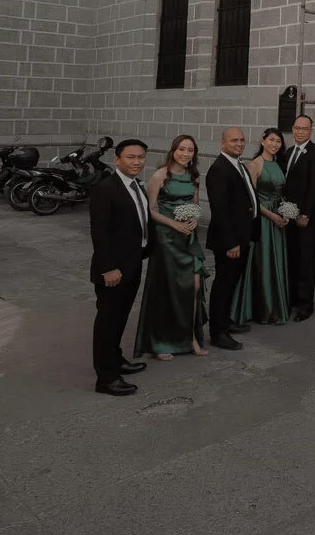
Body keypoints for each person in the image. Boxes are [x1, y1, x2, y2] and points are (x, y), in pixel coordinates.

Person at [134, 134, 209, 361]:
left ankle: (191, 337)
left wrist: (194, 219)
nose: (186, 154)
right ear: (173, 151)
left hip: (188, 238)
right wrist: (173, 223)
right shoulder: (160, 175)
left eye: (190, 150)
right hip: (166, 238)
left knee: (194, 285)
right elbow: (150, 210)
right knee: (167, 288)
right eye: (182, 149)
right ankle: (161, 341)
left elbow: (195, 206)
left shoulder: (194, 177)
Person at [88, 139, 152, 396]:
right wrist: (109, 268)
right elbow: (100, 232)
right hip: (113, 270)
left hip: (132, 264)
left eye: (141, 157)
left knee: (120, 318)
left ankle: (115, 360)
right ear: (117, 160)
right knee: (108, 322)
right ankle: (106, 378)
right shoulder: (105, 189)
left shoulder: (136, 185)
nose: (137, 162)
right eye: (130, 157)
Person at [203, 127, 259, 350]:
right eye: (234, 140)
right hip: (229, 241)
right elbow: (220, 210)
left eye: (242, 140)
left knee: (232, 283)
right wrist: (230, 243)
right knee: (223, 285)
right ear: (223, 143)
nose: (239, 143)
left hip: (242, 237)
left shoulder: (239, 165)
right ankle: (218, 333)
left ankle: (225, 321)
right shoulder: (219, 169)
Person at [232, 128, 291, 326]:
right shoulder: (255, 164)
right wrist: (273, 216)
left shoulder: (279, 164)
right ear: (263, 141)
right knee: (263, 259)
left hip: (278, 217)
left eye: (278, 141)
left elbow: (281, 193)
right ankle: (262, 308)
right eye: (271, 140)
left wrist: (286, 211)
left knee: (276, 260)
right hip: (264, 218)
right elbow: (252, 199)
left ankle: (275, 305)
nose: (275, 144)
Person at [278, 115, 315, 322]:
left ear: (311, 131)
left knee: (306, 259)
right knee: (292, 256)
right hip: (288, 214)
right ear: (292, 128)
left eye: (304, 129)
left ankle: (306, 304)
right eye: (297, 128)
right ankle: (292, 298)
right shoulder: (288, 152)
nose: (300, 132)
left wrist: (305, 213)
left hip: (307, 216)